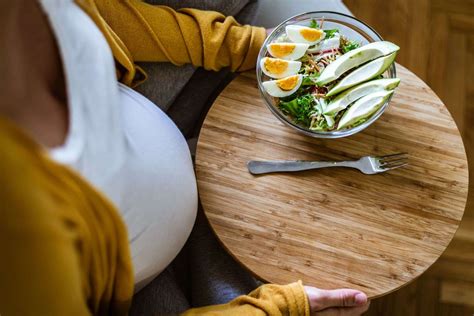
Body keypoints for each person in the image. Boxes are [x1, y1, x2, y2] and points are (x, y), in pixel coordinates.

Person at [0, 0, 371, 315]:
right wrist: (274, 307)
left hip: (147, 108)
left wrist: (245, 47)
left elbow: (103, 21)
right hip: (140, 283)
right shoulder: (31, 265)